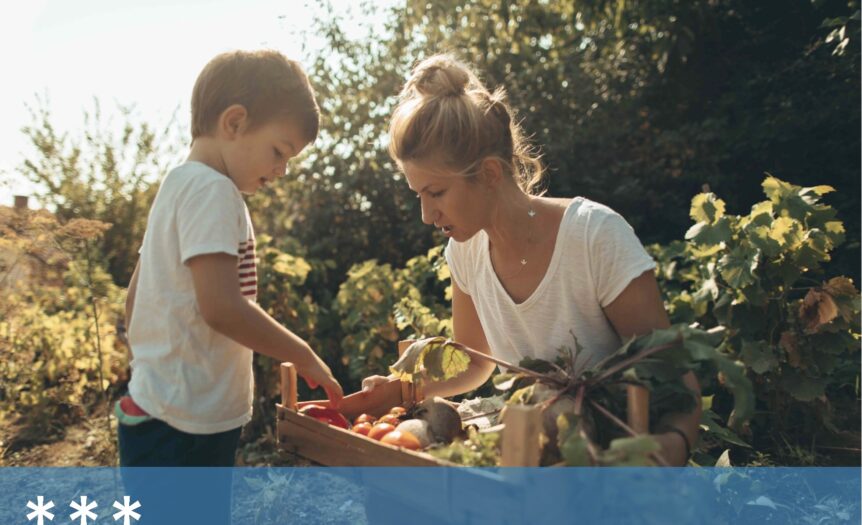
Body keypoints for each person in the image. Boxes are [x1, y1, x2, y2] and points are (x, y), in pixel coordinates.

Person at [363, 54, 700, 466]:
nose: (426, 215)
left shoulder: (594, 236)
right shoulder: (465, 252)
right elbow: (473, 362)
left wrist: (672, 446)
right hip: (533, 450)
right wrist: (403, 389)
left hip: (613, 457)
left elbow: (674, 376)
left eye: (436, 193)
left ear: (488, 174)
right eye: (419, 195)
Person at [120, 50, 343, 468]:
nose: (281, 171)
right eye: (279, 152)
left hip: (156, 410)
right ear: (235, 123)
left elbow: (134, 298)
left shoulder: (177, 185)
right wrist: (301, 352)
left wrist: (151, 374)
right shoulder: (214, 191)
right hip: (185, 425)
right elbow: (222, 306)